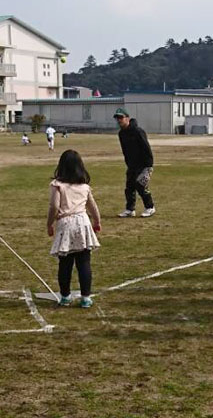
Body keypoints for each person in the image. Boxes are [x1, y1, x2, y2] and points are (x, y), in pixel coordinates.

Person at [47, 150, 101, 308]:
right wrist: (97, 221)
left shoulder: (58, 185)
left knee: (65, 263)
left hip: (66, 224)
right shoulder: (84, 186)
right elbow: (93, 206)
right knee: (84, 262)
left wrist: (49, 223)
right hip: (83, 222)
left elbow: (54, 206)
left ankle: (65, 296)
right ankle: (86, 297)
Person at [114, 108, 155, 218]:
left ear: (127, 118)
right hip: (131, 165)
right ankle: (130, 209)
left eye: (121, 118)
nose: (119, 120)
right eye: (117, 118)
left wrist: (149, 166)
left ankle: (150, 207)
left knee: (141, 185)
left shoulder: (138, 131)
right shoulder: (121, 134)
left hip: (144, 164)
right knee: (129, 187)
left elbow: (146, 148)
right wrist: (128, 163)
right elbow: (125, 151)